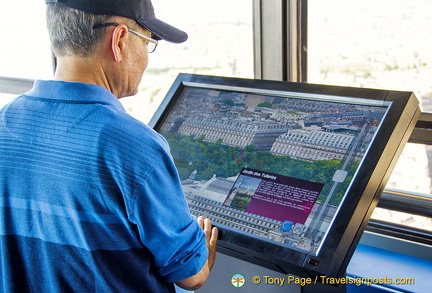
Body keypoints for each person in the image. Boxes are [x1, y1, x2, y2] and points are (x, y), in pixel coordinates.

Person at [0, 0, 218, 292]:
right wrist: (203, 253)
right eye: (149, 42)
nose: (146, 57)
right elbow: (191, 276)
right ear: (120, 40)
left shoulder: (4, 123)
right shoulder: (135, 148)